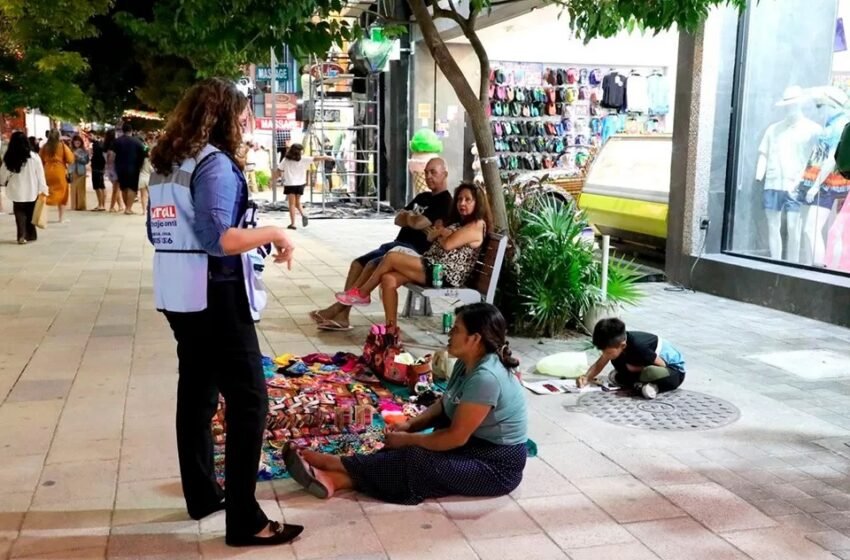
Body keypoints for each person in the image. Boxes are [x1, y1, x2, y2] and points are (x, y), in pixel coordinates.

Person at [147, 77, 302, 548]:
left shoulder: (169, 163)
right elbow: (221, 240)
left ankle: (202, 494)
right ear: (223, 118)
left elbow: (163, 229)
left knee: (196, 392)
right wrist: (275, 231)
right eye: (240, 114)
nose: (244, 122)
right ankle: (245, 518)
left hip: (179, 292)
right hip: (214, 294)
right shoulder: (212, 164)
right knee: (250, 400)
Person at [286, 302, 528, 504]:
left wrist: (409, 439)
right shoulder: (467, 363)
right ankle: (335, 481)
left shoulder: (486, 377)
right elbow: (445, 404)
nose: (449, 335)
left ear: (475, 339)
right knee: (409, 448)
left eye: (455, 330)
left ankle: (337, 465)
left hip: (496, 465)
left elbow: (456, 437)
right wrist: (410, 426)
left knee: (416, 458)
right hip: (473, 446)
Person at [310, 157, 453, 331]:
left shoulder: (445, 202)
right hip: (396, 244)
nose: (429, 176)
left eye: (433, 172)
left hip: (413, 251)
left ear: (444, 174)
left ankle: (338, 310)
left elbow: (417, 223)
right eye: (426, 172)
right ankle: (342, 315)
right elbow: (398, 218)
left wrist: (409, 217)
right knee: (357, 264)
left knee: (372, 265)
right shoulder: (423, 196)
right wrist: (410, 218)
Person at [336, 182, 492, 327]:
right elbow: (431, 236)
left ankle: (363, 293)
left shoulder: (477, 225)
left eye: (468, 200)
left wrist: (442, 233)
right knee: (388, 279)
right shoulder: (461, 222)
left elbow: (447, 244)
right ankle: (391, 332)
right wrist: (442, 232)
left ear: (477, 203)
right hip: (432, 265)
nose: (462, 203)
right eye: (459, 199)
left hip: (444, 273)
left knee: (392, 256)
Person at [577, 318, 686, 400]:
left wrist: (637, 369)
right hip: (641, 367)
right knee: (616, 361)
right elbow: (600, 363)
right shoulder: (616, 344)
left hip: (673, 372)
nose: (605, 355)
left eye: (608, 352)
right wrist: (586, 377)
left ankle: (650, 386)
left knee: (649, 372)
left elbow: (662, 365)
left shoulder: (639, 346)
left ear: (623, 345)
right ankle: (640, 385)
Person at [0, 131, 49, 244]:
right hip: (32, 189)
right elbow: (40, 174)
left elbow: (3, 175)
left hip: (16, 190)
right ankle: (31, 234)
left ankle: (21, 235)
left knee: (19, 212)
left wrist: (3, 182)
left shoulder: (9, 157)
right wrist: (44, 189)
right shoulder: (34, 157)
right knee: (30, 212)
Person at [275, 143, 333, 230]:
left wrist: (277, 177)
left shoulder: (286, 159)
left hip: (290, 184)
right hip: (301, 184)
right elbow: (316, 158)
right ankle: (304, 215)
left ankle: (293, 224)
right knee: (297, 202)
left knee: (291, 204)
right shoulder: (303, 159)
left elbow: (279, 169)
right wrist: (327, 157)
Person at [40, 129, 74, 223]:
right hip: (59, 171)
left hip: (47, 171)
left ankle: (41, 213)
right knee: (63, 194)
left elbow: (40, 159)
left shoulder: (44, 146)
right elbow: (70, 159)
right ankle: (61, 218)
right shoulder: (62, 146)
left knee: (48, 192)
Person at [113, 122, 146, 215]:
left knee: (124, 187)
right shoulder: (137, 142)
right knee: (131, 188)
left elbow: (112, 154)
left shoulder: (117, 141)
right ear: (131, 131)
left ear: (122, 130)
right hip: (133, 167)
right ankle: (128, 208)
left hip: (120, 167)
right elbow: (145, 152)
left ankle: (126, 207)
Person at [105, 129, 124, 213]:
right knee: (116, 189)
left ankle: (120, 206)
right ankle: (112, 207)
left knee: (116, 188)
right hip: (115, 169)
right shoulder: (114, 146)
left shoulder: (105, 146)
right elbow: (112, 159)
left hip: (109, 170)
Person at [70, 134, 89, 211]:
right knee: (73, 189)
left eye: (78, 142)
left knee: (81, 189)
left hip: (81, 171)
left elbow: (86, 161)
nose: (77, 144)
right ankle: (74, 205)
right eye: (75, 142)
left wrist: (78, 158)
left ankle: (81, 205)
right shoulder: (70, 150)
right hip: (73, 170)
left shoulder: (84, 151)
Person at [137, 134, 154, 213]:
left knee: (142, 196)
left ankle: (144, 210)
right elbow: (152, 170)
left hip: (141, 178)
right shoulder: (149, 161)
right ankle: (151, 209)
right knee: (151, 196)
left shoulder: (139, 161)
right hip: (149, 178)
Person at [90, 136, 107, 211]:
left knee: (98, 187)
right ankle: (102, 204)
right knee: (102, 186)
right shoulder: (102, 154)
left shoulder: (96, 155)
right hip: (100, 170)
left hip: (96, 170)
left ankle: (100, 204)